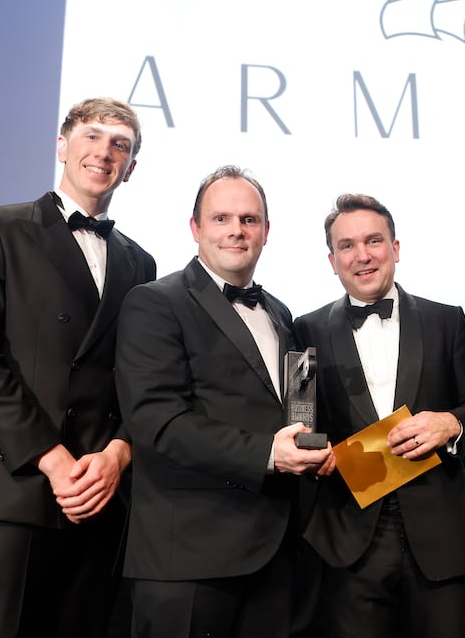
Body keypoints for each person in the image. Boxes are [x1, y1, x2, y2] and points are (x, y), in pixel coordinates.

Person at [0, 97, 157, 638]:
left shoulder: (141, 261)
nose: (103, 152)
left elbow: (143, 376)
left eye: (120, 145)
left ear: (131, 168)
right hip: (10, 484)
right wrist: (53, 459)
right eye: (91, 135)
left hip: (99, 493)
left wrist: (118, 453)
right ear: (62, 145)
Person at [115, 165, 334, 638]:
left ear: (266, 232)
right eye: (221, 218)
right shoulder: (154, 302)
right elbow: (156, 422)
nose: (237, 230)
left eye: (249, 220)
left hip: (276, 552)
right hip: (190, 557)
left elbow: (299, 411)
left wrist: (316, 447)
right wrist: (267, 454)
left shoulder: (280, 312)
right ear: (195, 228)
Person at [292, 194, 465, 638]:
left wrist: (451, 424)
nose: (362, 255)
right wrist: (314, 452)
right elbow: (300, 422)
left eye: (373, 241)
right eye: (347, 246)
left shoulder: (448, 321)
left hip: (440, 535)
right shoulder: (302, 330)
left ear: (395, 248)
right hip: (349, 538)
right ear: (332, 259)